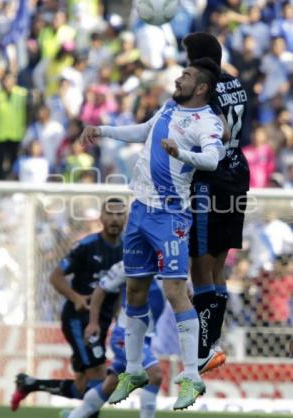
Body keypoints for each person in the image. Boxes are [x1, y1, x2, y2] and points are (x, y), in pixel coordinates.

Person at [79, 57, 225, 410]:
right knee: (135, 289)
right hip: (140, 210)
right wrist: (104, 130)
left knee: (175, 290)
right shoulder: (169, 106)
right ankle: (132, 369)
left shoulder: (207, 122)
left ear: (201, 87)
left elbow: (213, 159)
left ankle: (191, 376)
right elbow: (145, 130)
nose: (179, 78)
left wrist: (183, 153)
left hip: (170, 215)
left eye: (187, 75)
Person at [11, 198, 127, 417]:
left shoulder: (127, 249)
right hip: (78, 319)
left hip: (100, 321)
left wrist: (118, 316)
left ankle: (30, 384)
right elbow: (56, 277)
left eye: (120, 214)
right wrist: (75, 297)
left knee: (84, 387)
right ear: (101, 217)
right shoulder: (87, 246)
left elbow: (121, 288)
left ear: (126, 218)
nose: (115, 218)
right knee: (100, 378)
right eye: (110, 214)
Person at [182, 32, 250, 372]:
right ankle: (212, 341)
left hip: (213, 178)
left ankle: (204, 345)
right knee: (218, 263)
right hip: (238, 172)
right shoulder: (236, 83)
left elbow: (220, 131)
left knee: (200, 261)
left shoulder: (203, 90)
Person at [65, 260, 165, 418]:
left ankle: (75, 416)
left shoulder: (170, 264)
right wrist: (92, 323)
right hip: (125, 334)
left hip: (145, 337)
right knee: (155, 375)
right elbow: (100, 290)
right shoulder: (127, 264)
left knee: (110, 384)